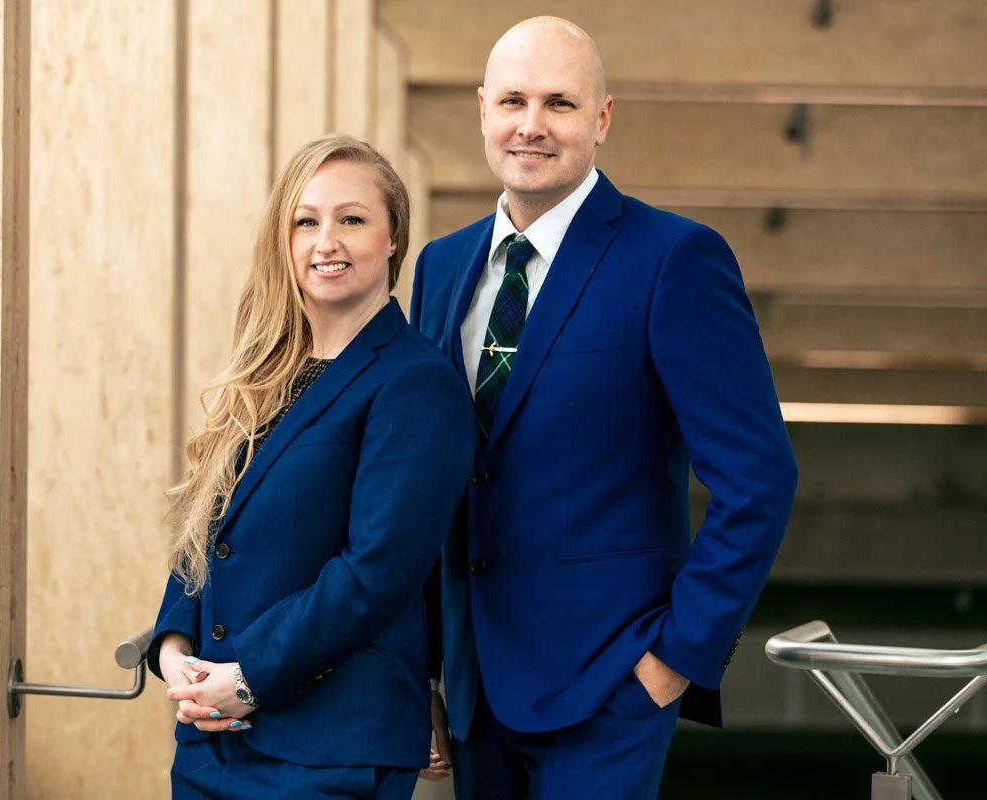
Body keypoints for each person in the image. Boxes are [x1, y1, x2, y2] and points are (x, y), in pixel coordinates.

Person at [410, 16, 799, 800]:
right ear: (481, 109)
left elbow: (759, 479)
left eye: (559, 103)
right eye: (513, 101)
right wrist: (419, 670)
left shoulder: (673, 260)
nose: (531, 125)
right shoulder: (439, 266)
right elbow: (422, 486)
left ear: (602, 118)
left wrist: (675, 660)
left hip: (607, 687)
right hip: (475, 687)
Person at [146, 134, 475, 799]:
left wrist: (246, 677)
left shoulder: (416, 382)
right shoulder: (266, 375)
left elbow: (374, 572)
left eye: (351, 219)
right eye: (307, 221)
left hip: (329, 750)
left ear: (392, 239)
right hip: (215, 741)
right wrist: (174, 649)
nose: (326, 240)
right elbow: (212, 527)